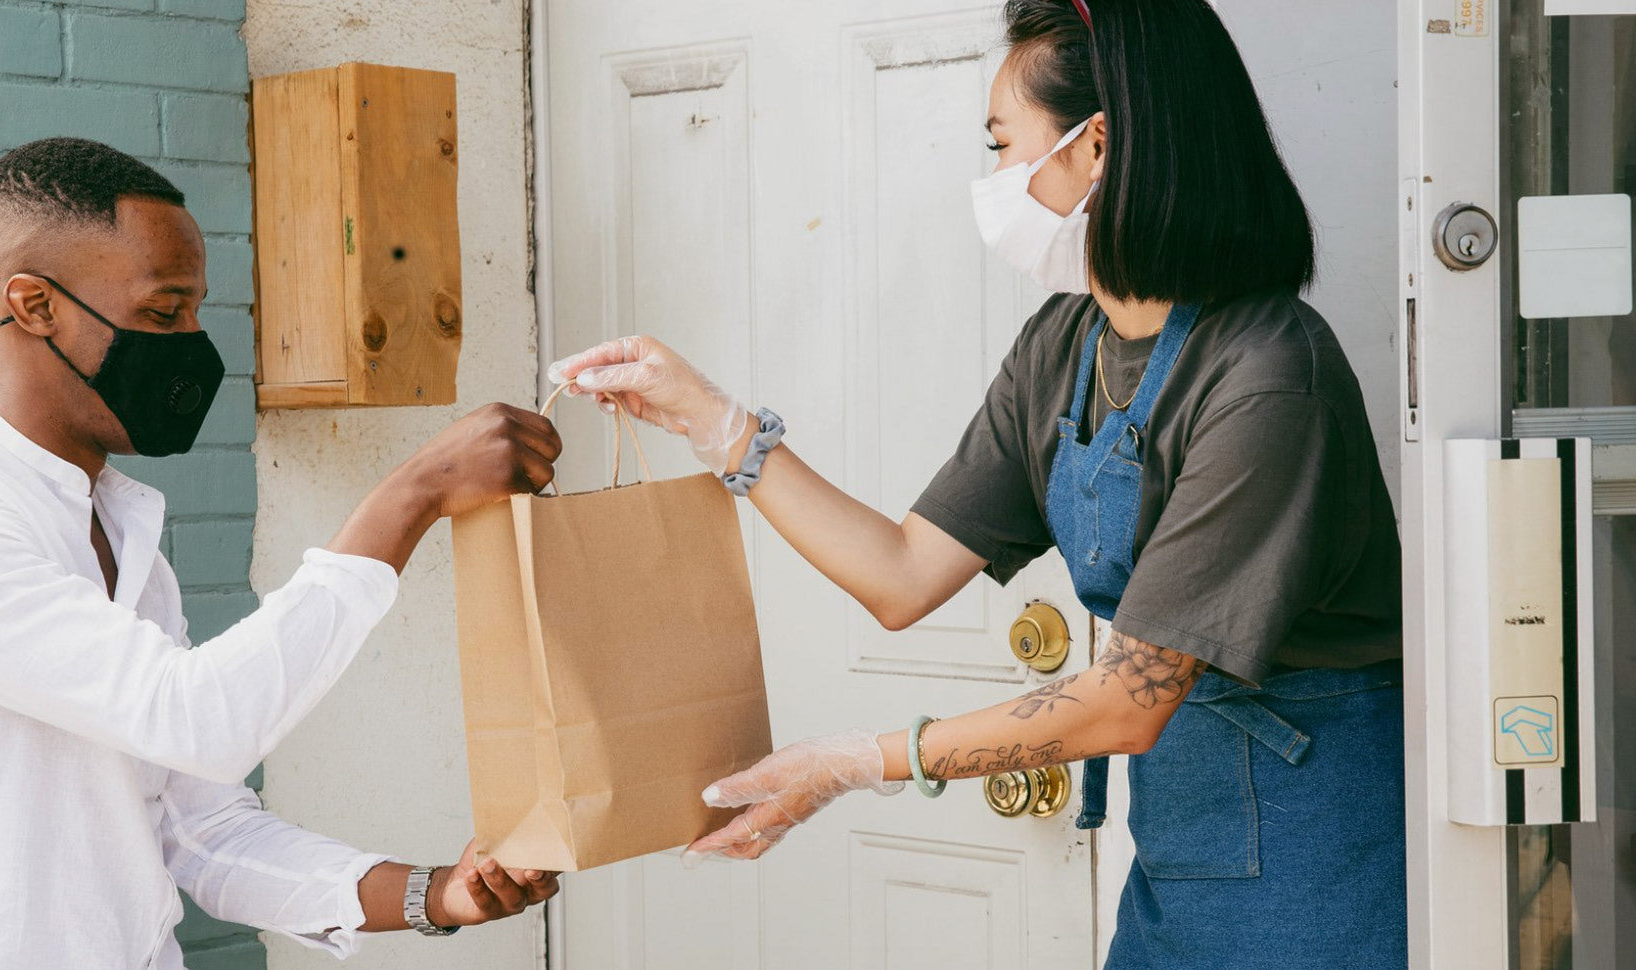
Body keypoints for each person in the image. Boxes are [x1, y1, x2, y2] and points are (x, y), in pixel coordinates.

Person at [550, 1, 1405, 967]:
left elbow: (1130, 699)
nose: (994, 179)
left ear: (1099, 146)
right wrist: (715, 423)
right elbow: (904, 574)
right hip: (1185, 851)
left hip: (1314, 853)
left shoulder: (1267, 374)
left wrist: (859, 763)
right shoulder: (1065, 346)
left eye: (1004, 145)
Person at [0, 137, 562, 968]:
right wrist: (409, 496)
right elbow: (196, 719)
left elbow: (199, 828)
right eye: (163, 314)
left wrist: (435, 893)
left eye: (197, 310)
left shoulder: (116, 525)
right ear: (32, 304)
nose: (192, 343)